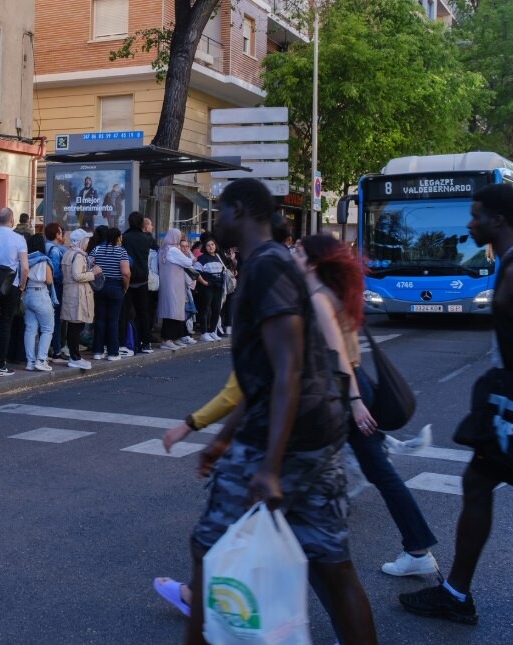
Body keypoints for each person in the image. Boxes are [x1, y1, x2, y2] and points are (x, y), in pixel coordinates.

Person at [165, 178, 377, 645]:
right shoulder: (275, 263)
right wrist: (221, 439)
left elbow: (288, 370)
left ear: (241, 211)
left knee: (209, 549)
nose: (214, 221)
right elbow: (263, 378)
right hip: (318, 435)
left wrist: (270, 467)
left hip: (286, 440)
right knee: (331, 564)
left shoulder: (266, 267)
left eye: (219, 212)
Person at [401, 183, 513, 625]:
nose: (469, 222)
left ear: (498, 219)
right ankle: (456, 595)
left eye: (476, 214)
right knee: (478, 485)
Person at [296, 234, 440, 577]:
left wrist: (356, 403)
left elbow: (338, 356)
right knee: (377, 473)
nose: (293, 254)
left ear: (314, 262)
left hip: (346, 392)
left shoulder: (318, 297)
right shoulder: (333, 294)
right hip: (353, 388)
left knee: (375, 474)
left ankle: (416, 551)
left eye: (299, 252)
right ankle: (416, 549)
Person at [0, 207, 28, 377]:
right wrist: (22, 287)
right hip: (11, 285)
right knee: (6, 325)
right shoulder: (19, 239)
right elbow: (24, 267)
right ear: (12, 219)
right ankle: (0, 364)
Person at [89, 226, 130, 361]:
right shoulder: (121, 252)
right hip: (115, 286)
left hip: (100, 286)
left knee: (100, 320)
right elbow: (125, 273)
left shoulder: (97, 249)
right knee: (113, 320)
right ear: (118, 237)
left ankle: (98, 351)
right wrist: (125, 287)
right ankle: (113, 352)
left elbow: (89, 263)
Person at [60, 229, 99, 370]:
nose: (87, 243)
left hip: (71, 293)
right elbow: (77, 275)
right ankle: (74, 357)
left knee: (74, 325)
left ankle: (74, 355)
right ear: (80, 241)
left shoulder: (68, 253)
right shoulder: (78, 256)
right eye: (86, 240)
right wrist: (93, 273)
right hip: (78, 294)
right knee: (76, 326)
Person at [122, 212, 156, 354]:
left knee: (125, 312)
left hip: (128, 278)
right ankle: (146, 343)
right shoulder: (146, 239)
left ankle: (125, 342)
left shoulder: (124, 238)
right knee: (143, 312)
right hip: (142, 278)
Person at [157, 229, 195, 351]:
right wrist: (190, 255)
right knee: (173, 311)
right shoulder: (173, 250)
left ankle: (172, 338)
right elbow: (188, 262)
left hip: (167, 284)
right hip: (175, 285)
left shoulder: (162, 249)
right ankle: (168, 339)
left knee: (170, 311)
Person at [22, 235, 56, 372]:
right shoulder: (44, 260)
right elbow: (49, 280)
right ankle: (41, 359)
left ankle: (30, 361)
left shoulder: (26, 260)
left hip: (28, 295)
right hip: (41, 294)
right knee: (47, 328)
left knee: (30, 329)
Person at [193, 239, 226, 342]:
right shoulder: (202, 258)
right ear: (205, 247)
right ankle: (204, 333)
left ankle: (212, 331)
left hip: (218, 287)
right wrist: (204, 283)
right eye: (208, 245)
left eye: (212, 245)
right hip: (207, 288)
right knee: (205, 310)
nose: (211, 247)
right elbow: (196, 272)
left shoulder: (218, 257)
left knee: (216, 310)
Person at [44, 223, 68, 362]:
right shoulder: (55, 250)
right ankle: (57, 350)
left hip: (45, 288)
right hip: (55, 288)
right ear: (57, 234)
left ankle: (48, 348)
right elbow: (56, 273)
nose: (62, 235)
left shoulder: (45, 246)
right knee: (56, 320)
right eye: (60, 232)